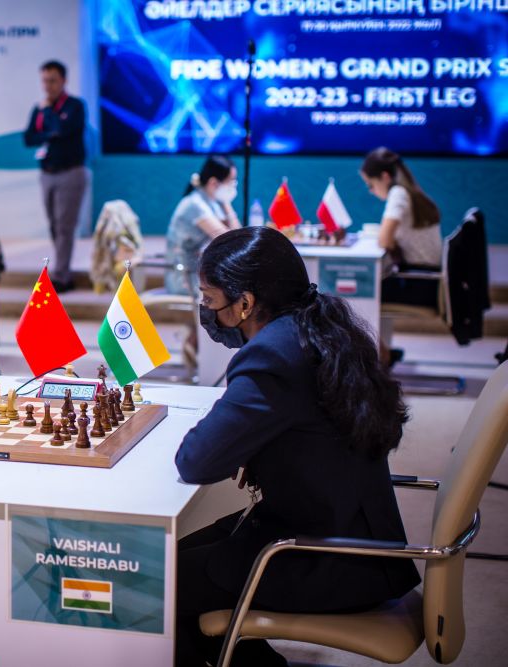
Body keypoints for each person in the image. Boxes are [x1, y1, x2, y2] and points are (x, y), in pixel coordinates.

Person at [174, 226, 420, 666]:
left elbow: (196, 461)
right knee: (173, 556)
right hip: (349, 530)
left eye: (209, 299)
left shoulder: (272, 355)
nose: (206, 311)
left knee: (158, 584)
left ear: (245, 303)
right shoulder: (321, 325)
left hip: (325, 556)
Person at [166, 155, 241, 364]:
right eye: (231, 182)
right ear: (214, 183)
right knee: (230, 291)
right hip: (183, 277)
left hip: (196, 274)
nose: (234, 186)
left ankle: (198, 343)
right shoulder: (195, 205)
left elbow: (237, 237)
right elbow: (229, 239)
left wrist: (226, 204)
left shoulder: (211, 202)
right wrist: (227, 204)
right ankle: (208, 352)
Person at [23, 60, 87, 292]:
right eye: (45, 81)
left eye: (52, 81)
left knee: (64, 226)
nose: (48, 86)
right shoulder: (38, 109)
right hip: (47, 173)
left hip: (70, 172)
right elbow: (29, 138)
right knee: (53, 225)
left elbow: (63, 130)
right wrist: (49, 131)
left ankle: (61, 275)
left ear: (63, 81)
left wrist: (49, 116)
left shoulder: (75, 106)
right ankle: (62, 269)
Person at [360, 146, 442, 308]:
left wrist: (389, 240)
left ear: (385, 177)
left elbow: (384, 240)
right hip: (428, 280)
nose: (371, 191)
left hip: (419, 282)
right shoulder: (410, 192)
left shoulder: (398, 193)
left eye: (371, 185)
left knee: (360, 289)